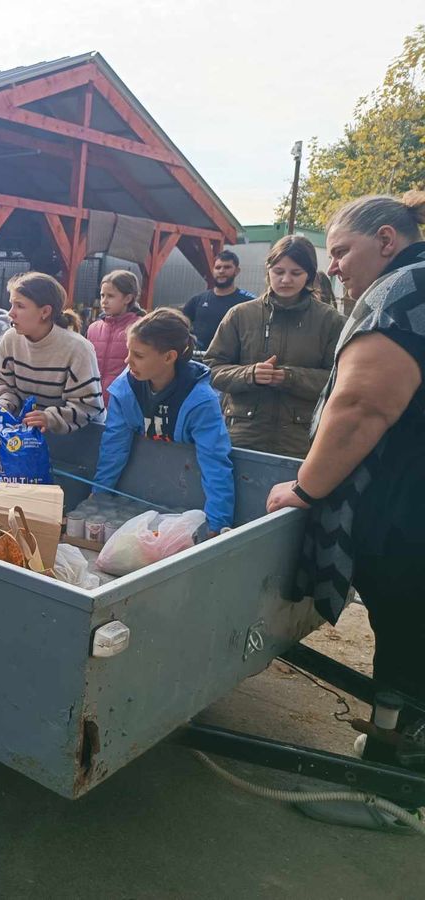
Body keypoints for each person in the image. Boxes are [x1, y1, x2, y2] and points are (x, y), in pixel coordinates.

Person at [267, 192, 425, 714]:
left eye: (340, 252)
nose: (330, 268)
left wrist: (305, 488)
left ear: (385, 240)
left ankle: (392, 768)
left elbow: (361, 406)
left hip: (408, 511)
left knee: (408, 637)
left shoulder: (402, 290)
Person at [94, 308, 234, 534]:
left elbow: (215, 461)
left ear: (169, 357)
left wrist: (218, 522)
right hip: (138, 493)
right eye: (128, 351)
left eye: (138, 355)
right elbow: (113, 447)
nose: (127, 361)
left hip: (188, 500)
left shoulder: (200, 401)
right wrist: (99, 493)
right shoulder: (125, 390)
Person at [205, 235, 345, 458]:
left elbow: (340, 380)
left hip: (300, 442)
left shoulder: (331, 321)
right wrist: (249, 374)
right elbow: (212, 368)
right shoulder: (240, 315)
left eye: (295, 273)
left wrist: (290, 377)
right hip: (241, 435)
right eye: (279, 272)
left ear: (309, 274)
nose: (286, 279)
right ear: (268, 271)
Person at [0, 272, 104, 433]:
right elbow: (3, 385)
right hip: (28, 437)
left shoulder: (78, 349)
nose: (11, 313)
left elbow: (88, 406)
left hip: (81, 441)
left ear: (45, 312)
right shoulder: (10, 339)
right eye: (11, 304)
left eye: (20, 306)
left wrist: (50, 418)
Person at [86, 270, 144, 404]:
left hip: (126, 402)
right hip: (93, 402)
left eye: (110, 296)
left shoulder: (140, 328)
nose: (104, 301)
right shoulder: (93, 328)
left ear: (128, 298)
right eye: (102, 295)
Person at [182, 250, 255, 349]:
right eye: (218, 267)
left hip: (231, 361)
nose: (221, 271)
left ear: (237, 271)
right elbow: (179, 325)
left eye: (227, 267)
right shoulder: (198, 300)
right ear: (213, 270)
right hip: (199, 359)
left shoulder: (249, 301)